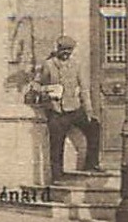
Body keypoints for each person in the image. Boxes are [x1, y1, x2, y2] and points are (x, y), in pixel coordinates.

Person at [38, 34, 101, 182]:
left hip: (75, 108)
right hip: (57, 110)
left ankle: (91, 164)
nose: (66, 53)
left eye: (69, 50)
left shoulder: (77, 65)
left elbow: (84, 88)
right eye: (64, 50)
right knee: (56, 143)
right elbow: (36, 85)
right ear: (58, 49)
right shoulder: (49, 65)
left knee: (94, 127)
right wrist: (48, 90)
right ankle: (57, 176)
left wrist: (89, 110)